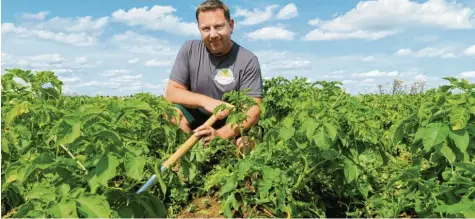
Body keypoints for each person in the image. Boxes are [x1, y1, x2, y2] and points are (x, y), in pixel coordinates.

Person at [165, 0, 263, 153]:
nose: (213, 34)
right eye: (206, 28)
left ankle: (229, 165)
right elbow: (172, 92)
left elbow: (252, 110)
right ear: (199, 29)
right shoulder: (189, 49)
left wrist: (220, 134)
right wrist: (206, 102)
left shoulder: (248, 60)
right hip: (197, 119)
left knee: (246, 143)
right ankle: (189, 162)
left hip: (230, 123)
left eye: (218, 26)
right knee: (172, 114)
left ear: (231, 25)